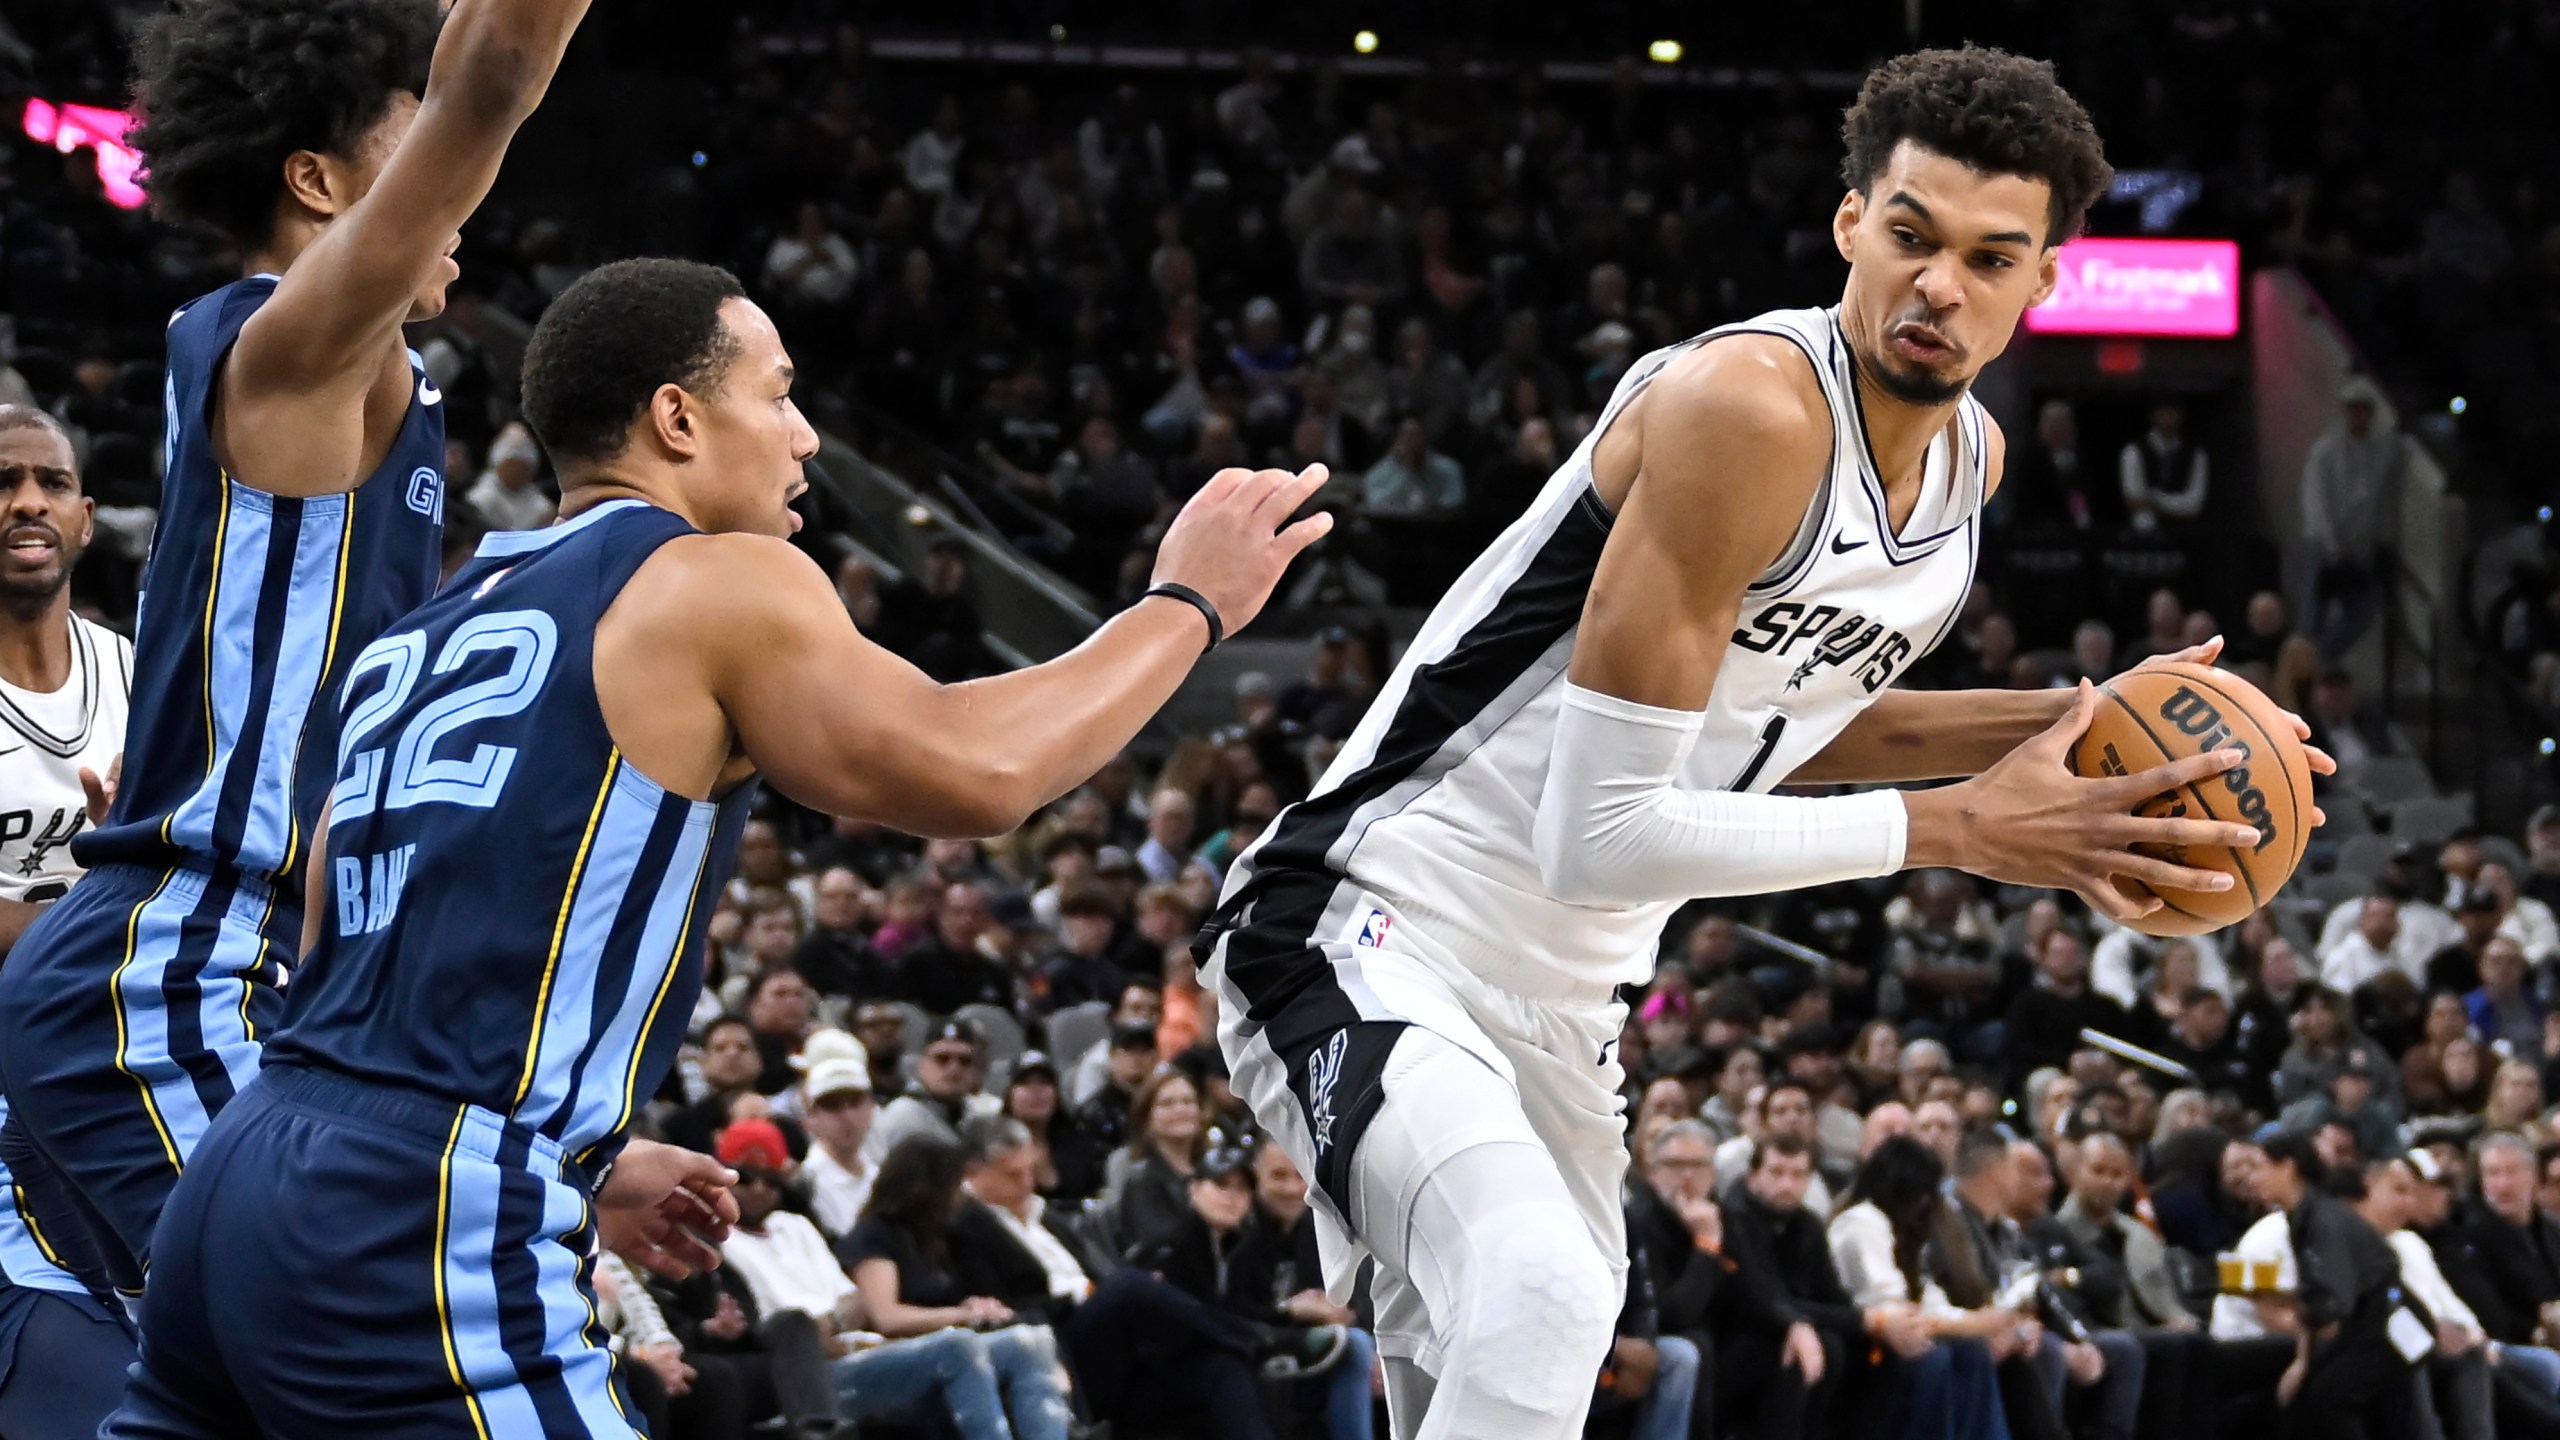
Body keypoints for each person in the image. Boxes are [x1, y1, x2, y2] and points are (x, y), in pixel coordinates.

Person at [99, 253, 1327, 1435]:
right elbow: (981, 768)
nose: (803, 437)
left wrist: (588, 1155)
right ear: (677, 418)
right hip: (411, 1210)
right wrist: (1187, 606)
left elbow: (338, 941)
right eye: (780, 394)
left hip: (243, 1174)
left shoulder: (425, 627)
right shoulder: (715, 580)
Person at [0, 0, 541, 1349]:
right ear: (320, 182)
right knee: (368, 1367)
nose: (461, 206)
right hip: (174, 963)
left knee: (231, 1388)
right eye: (409, 151)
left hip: (259, 964)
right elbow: (493, 83)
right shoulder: (295, 349)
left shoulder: (386, 383)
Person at [0, 407, 139, 1438]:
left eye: (51, 482)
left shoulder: (141, 676)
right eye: (2, 482)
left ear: (87, 517)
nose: (27, 503)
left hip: (117, 1076)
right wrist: (112, 894)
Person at [841, 1136, 1073, 1440]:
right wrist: (963, 1315)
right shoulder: (874, 1235)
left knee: (1033, 1338)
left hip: (944, 1338)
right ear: (926, 1190)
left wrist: (979, 1306)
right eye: (954, 1186)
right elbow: (887, 1316)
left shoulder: (933, 1240)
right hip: (896, 1352)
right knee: (961, 1346)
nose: (960, 1197)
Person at [2254, 1129, 2421, 1440]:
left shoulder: (2324, 1220)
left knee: (2330, 1397)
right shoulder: (2303, 1216)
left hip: (2391, 1324)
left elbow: (2335, 1300)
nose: (2254, 1178)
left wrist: (2290, 1308)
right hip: (2371, 1323)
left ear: (2287, 1167)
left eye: (2260, 1167)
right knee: (2307, 1398)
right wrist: (2303, 1361)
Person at [1714, 1132, 1860, 1440]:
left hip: (1788, 1332)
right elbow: (1755, 1295)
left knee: (1848, 1346)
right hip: (1732, 1339)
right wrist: (1796, 1324)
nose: (1786, 1185)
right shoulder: (1733, 1216)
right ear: (1754, 1175)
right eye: (1776, 1173)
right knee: (1788, 1353)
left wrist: (1807, 1321)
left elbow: (1835, 1300)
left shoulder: (1806, 1224)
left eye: (1797, 1175)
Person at [2299, 379, 2408, 658]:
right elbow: (2317, 501)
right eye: (2352, 409)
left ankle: (2321, 661)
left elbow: (2379, 499)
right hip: (2323, 546)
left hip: (2359, 547)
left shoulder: (2378, 452)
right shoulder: (2325, 451)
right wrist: (2332, 544)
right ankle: (2304, 668)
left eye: (2363, 409)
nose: (2357, 416)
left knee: (2361, 613)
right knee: (2313, 616)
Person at [1100, 1066, 1207, 1254]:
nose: (1180, 1109)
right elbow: (1161, 1246)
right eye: (1167, 1103)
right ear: (1146, 1117)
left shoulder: (1213, 1172)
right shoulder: (1140, 1182)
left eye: (1188, 1101)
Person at [798, 1034, 879, 1239]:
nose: (847, 1117)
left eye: (855, 1103)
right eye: (832, 1106)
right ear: (810, 1118)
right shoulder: (808, 1184)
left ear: (871, 1107)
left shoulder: (877, 1175)